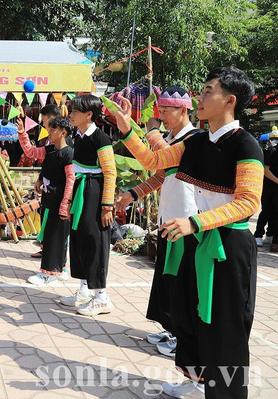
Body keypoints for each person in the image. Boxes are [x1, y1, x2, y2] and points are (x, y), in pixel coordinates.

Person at [111, 67, 262, 399]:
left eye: (209, 91)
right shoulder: (197, 143)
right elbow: (154, 160)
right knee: (189, 317)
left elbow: (249, 202)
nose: (201, 97)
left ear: (230, 101)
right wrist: (126, 127)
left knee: (225, 329)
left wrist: (195, 223)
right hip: (198, 239)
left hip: (228, 247)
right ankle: (196, 383)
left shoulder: (245, 145)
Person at [114, 86, 203, 358]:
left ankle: (184, 337)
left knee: (182, 281)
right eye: (160, 109)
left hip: (187, 220)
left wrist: (143, 131)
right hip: (169, 218)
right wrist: (132, 193)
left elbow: (157, 157)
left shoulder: (195, 138)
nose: (160, 114)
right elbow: (161, 176)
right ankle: (173, 328)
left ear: (183, 110)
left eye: (165, 110)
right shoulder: (169, 137)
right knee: (167, 279)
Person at [60, 94, 117, 317]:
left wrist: (107, 206)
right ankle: (84, 290)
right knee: (80, 239)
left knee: (95, 241)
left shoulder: (101, 139)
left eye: (75, 111)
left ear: (89, 115)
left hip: (94, 192)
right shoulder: (79, 135)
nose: (71, 114)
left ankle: (101, 297)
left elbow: (111, 173)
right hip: (81, 191)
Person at [28, 116, 74, 285]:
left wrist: (65, 204)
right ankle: (60, 269)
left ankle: (48, 273)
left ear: (63, 133)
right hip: (50, 199)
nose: (49, 132)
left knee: (53, 237)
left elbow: (71, 179)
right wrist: (21, 133)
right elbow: (31, 152)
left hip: (59, 202)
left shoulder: (68, 153)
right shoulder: (50, 150)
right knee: (56, 236)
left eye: (53, 129)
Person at [255, 129, 278, 249]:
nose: (274, 141)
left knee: (275, 213)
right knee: (266, 212)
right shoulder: (270, 152)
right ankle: (258, 235)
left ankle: (271, 235)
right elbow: (265, 169)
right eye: (273, 138)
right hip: (269, 187)